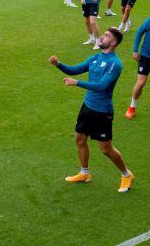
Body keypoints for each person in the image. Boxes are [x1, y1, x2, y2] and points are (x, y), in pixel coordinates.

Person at [48, 27, 135, 193]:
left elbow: (102, 86)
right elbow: (75, 69)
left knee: (106, 149)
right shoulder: (96, 57)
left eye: (107, 36)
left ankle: (126, 174)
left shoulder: (114, 64)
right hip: (87, 106)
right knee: (80, 138)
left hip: (102, 112)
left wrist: (77, 83)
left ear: (114, 42)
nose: (102, 36)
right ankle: (84, 173)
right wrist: (58, 64)